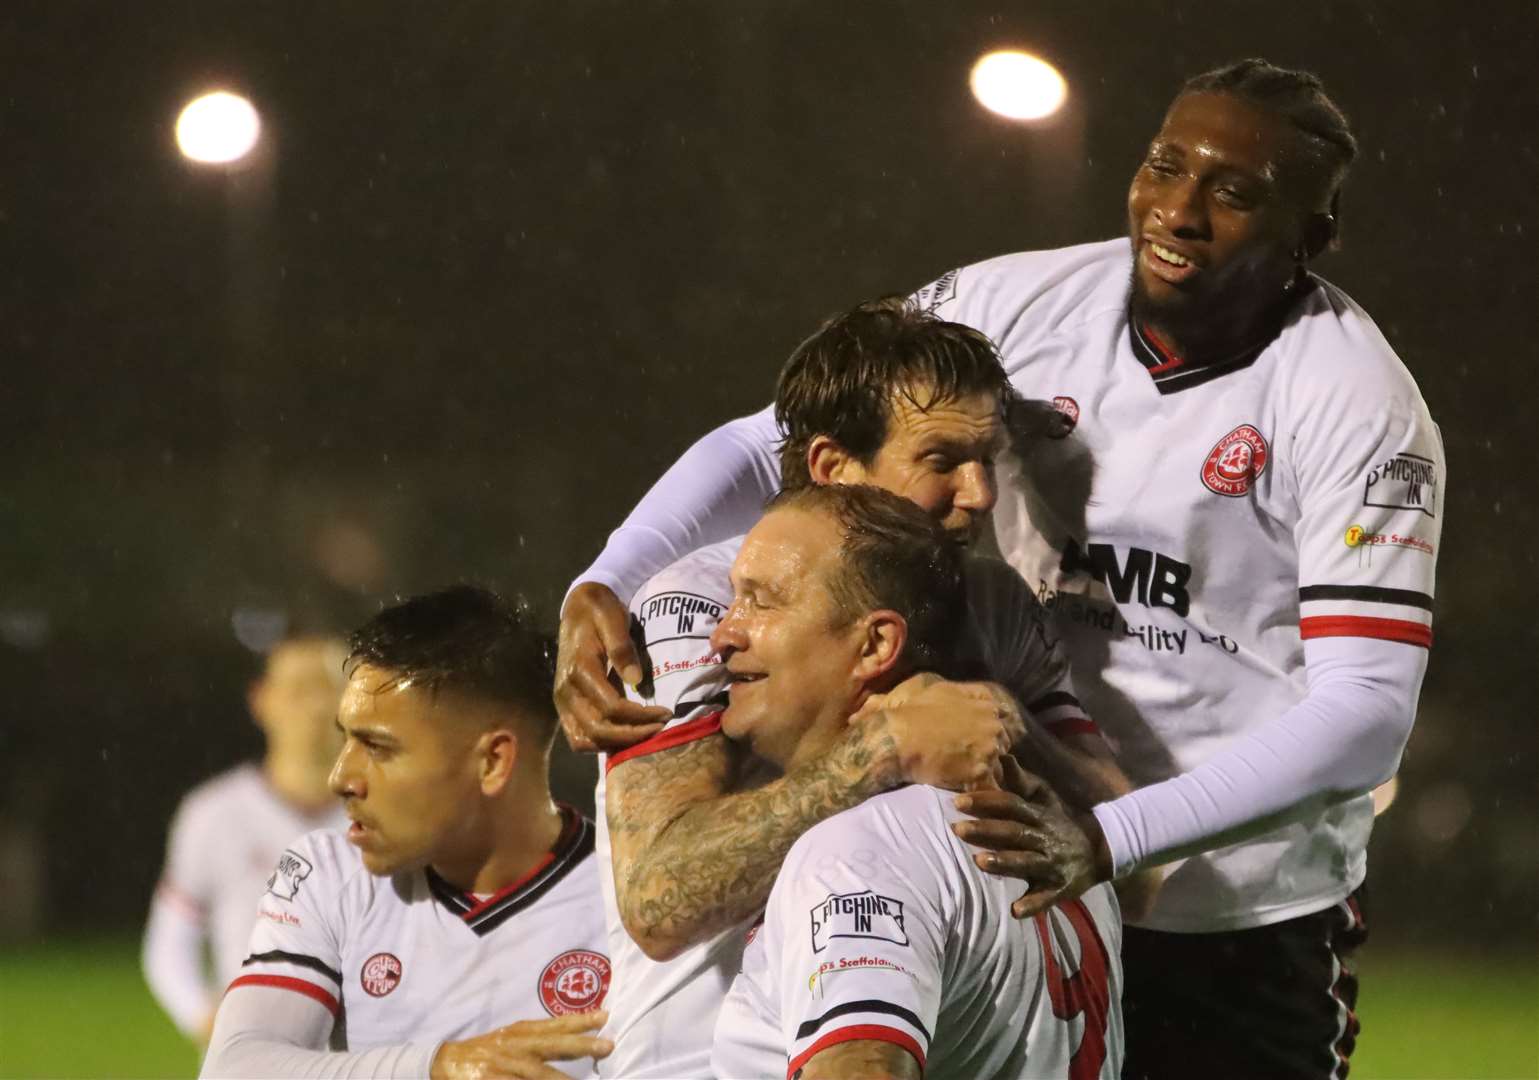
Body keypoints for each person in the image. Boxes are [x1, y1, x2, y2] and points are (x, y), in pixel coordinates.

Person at [557, 59, 1444, 1077]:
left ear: (1310, 234)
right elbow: (782, 435)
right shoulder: (1016, 303)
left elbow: (1368, 709)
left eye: (1234, 192)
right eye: (1165, 167)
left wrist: (1114, 837)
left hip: (1230, 907)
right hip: (1002, 865)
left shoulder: (1357, 404)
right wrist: (610, 576)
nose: (1181, 210)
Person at [593, 299, 1145, 1078]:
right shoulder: (699, 607)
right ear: (832, 468)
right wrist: (881, 750)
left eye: (988, 458)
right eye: (941, 460)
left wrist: (1005, 722)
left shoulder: (992, 605)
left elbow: (1133, 855)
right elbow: (659, 902)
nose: (981, 493)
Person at [710, 484, 1124, 1080]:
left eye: (764, 602)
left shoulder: (857, 855)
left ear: (875, 644)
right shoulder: (1055, 826)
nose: (723, 634)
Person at [201, 587, 613, 1079]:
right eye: (347, 737)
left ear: (492, 761)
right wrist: (438, 1067)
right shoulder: (329, 875)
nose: (342, 778)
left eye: (378, 747)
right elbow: (234, 1069)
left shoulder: (628, 897)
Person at [143, 632, 348, 1045]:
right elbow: (168, 946)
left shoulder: (397, 815)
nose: (317, 706)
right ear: (262, 699)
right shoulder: (213, 813)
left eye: (331, 687)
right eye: (299, 689)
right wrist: (207, 1019)